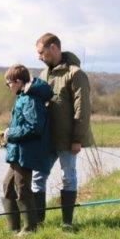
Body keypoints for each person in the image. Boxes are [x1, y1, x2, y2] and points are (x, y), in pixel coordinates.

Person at [36, 32, 93, 228]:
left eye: (41, 52)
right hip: (46, 140)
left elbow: (82, 109)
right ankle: (38, 222)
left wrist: (77, 138)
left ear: (54, 48)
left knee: (68, 178)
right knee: (38, 177)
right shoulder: (43, 74)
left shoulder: (76, 73)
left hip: (68, 140)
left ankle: (67, 223)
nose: (39, 57)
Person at [1, 64, 53, 234]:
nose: (8, 87)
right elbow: (21, 126)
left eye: (8, 83)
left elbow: (34, 127)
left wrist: (11, 134)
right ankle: (13, 229)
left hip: (26, 153)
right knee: (7, 186)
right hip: (18, 151)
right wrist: (8, 135)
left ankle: (30, 228)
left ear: (17, 81)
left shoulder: (30, 99)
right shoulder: (22, 97)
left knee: (22, 188)